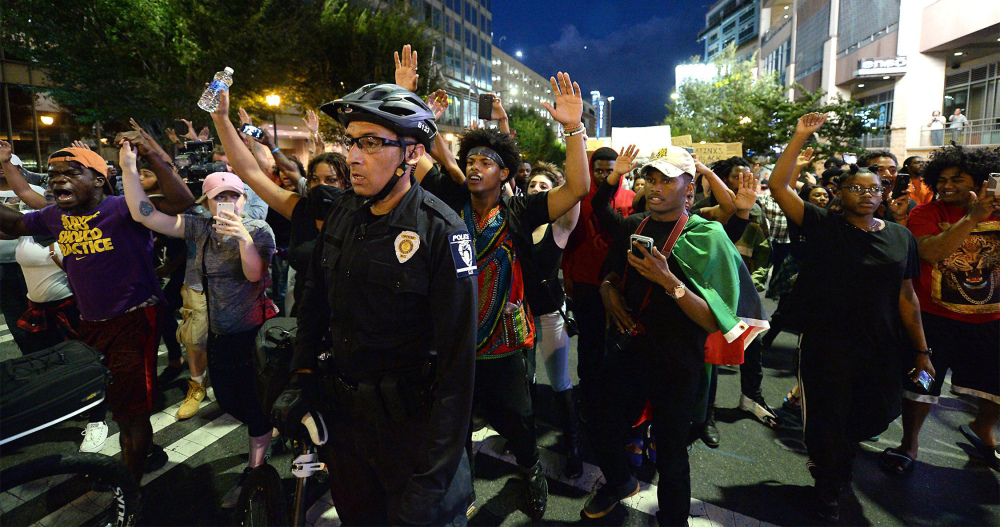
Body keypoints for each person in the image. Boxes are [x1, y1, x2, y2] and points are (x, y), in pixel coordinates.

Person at [268, 81, 477, 526]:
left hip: (412, 434)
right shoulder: (344, 211)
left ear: (412, 154)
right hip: (346, 426)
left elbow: (459, 366)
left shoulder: (443, 230)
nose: (353, 156)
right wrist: (301, 375)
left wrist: (434, 478)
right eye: (351, 141)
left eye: (371, 142)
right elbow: (314, 301)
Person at [421, 72, 590, 521]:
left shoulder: (521, 209)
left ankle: (531, 470)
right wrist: (418, 112)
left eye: (486, 161)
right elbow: (416, 157)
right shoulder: (450, 199)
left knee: (517, 420)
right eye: (470, 159)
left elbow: (577, 188)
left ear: (506, 173)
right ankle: (460, 488)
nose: (474, 166)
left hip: (507, 343)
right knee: (451, 423)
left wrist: (573, 131)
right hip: (453, 342)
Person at [583, 146, 766, 525]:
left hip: (677, 360)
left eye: (667, 179)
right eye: (650, 178)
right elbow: (611, 274)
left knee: (670, 455)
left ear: (689, 188)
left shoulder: (706, 234)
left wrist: (669, 282)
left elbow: (714, 320)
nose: (655, 186)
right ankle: (620, 482)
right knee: (601, 425)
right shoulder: (634, 225)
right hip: (630, 350)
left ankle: (674, 519)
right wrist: (607, 290)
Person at [768, 113, 933, 522]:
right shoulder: (824, 225)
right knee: (828, 416)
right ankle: (828, 483)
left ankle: (836, 465)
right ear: (840, 193)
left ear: (882, 193)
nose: (865, 194)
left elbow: (907, 297)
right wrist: (799, 136)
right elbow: (778, 187)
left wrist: (921, 351)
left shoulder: (900, 238)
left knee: (870, 413)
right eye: (856, 188)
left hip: (880, 345)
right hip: (827, 343)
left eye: (873, 188)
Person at [0, 140, 194, 483]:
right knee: (117, 403)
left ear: (100, 180)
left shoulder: (125, 208)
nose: (58, 181)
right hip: (88, 321)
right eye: (53, 175)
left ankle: (128, 490)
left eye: (71, 173)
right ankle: (142, 455)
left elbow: (182, 201)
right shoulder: (56, 215)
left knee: (132, 413)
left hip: (134, 319)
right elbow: (15, 225)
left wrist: (149, 155)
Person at [120, 141, 277, 506]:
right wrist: (129, 169)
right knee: (227, 399)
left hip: (253, 333)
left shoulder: (258, 229)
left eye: (234, 197)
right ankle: (266, 430)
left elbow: (255, 275)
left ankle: (256, 469)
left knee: (253, 406)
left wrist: (242, 237)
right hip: (220, 334)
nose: (229, 204)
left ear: (243, 199)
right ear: (206, 204)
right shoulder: (200, 229)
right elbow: (146, 214)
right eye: (220, 198)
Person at [881, 145, 1000, 475]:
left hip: (990, 319)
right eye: (942, 179)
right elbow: (930, 252)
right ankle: (910, 444)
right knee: (921, 383)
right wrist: (972, 218)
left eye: (957, 179)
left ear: (980, 181)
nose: (947, 186)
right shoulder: (927, 213)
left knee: (996, 386)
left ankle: (983, 430)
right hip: (934, 318)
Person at [561, 146, 633, 412]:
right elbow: (568, 239)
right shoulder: (579, 197)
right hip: (584, 279)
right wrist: (567, 272)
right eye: (599, 170)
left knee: (616, 339)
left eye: (609, 170)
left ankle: (610, 391)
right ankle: (587, 389)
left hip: (618, 283)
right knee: (589, 339)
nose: (604, 175)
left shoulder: (631, 199)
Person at [525, 163, 583, 478]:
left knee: (560, 382)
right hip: (520, 314)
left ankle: (573, 448)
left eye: (544, 186)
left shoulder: (559, 226)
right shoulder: (518, 223)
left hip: (549, 315)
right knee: (526, 379)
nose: (536, 189)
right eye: (532, 185)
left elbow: (576, 192)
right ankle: (526, 441)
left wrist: (576, 138)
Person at [858, 150, 914, 227]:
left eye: (893, 170)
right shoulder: (853, 203)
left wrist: (901, 218)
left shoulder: (907, 205)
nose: (888, 175)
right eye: (879, 170)